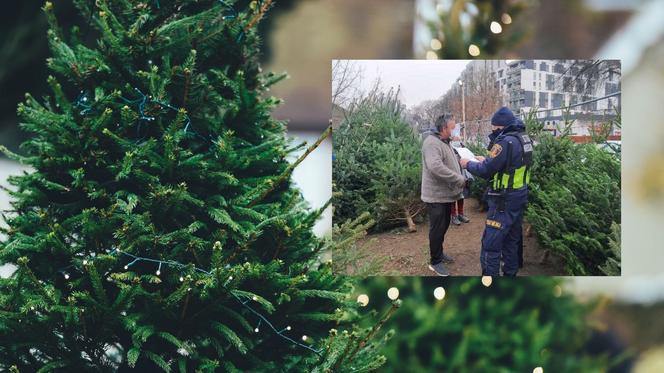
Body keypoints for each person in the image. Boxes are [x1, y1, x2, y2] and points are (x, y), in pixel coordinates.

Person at [459, 107, 533, 276]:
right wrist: (486, 159)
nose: (493, 133)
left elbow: (486, 171)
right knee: (511, 242)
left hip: (503, 201)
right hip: (519, 196)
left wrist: (467, 163)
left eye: (494, 130)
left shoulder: (504, 142)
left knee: (491, 246)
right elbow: (511, 165)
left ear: (500, 127)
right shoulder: (524, 138)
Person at [421, 113, 465, 276]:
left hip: (445, 195)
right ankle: (435, 261)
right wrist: (458, 178)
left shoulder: (444, 142)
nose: (455, 130)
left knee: (444, 225)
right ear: (443, 128)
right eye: (453, 127)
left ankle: (439, 253)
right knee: (437, 228)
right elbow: (435, 167)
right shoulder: (432, 143)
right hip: (435, 196)